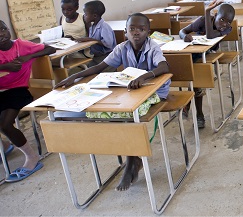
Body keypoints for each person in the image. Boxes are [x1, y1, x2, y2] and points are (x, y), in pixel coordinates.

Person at [55, 13, 170, 191]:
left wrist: (144, 76)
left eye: (141, 29)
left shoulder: (152, 47)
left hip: (156, 90)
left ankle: (131, 162)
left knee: (128, 115)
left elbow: (163, 67)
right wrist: (75, 77)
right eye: (132, 29)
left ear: (148, 31)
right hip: (131, 92)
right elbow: (100, 67)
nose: (136, 32)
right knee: (114, 113)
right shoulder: (122, 47)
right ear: (125, 32)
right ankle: (133, 159)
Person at [0, 20, 56, 182]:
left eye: (3, 29)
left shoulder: (20, 45)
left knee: (5, 124)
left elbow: (50, 48)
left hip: (18, 90)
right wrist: (7, 67)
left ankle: (32, 157)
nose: (2, 34)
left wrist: (28, 57)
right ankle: (5, 146)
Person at [179, 0, 235, 129]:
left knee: (197, 76)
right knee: (191, 73)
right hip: (194, 52)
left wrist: (207, 10)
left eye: (228, 22)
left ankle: (197, 113)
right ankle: (193, 107)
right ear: (215, 15)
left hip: (208, 54)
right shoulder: (203, 20)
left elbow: (210, 36)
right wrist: (184, 37)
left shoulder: (227, 29)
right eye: (222, 20)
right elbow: (183, 30)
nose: (225, 24)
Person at [76, 0, 116, 67]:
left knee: (93, 71)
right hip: (97, 57)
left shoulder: (104, 26)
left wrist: (91, 40)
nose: (84, 16)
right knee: (89, 68)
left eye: (85, 14)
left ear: (94, 16)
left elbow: (108, 44)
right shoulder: (92, 26)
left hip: (108, 57)